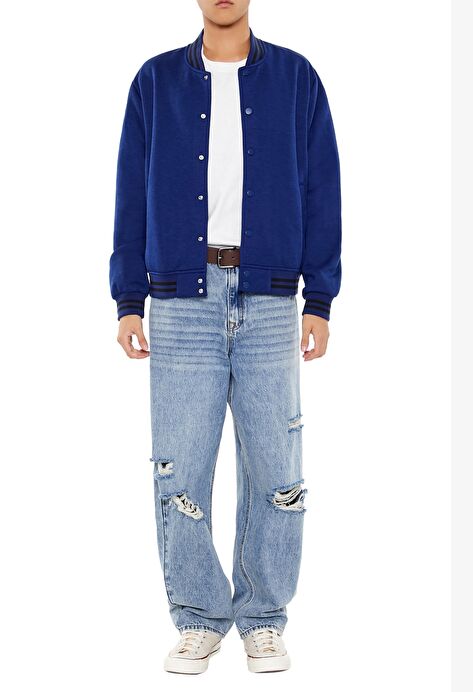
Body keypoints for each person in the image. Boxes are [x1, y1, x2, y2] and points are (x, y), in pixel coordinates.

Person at [109, 0, 342, 675]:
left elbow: (322, 187)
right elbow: (130, 194)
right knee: (179, 466)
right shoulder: (155, 83)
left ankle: (263, 618)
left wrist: (319, 297)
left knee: (277, 467)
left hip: (271, 297)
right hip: (180, 301)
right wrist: (128, 300)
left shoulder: (296, 79)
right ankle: (198, 616)